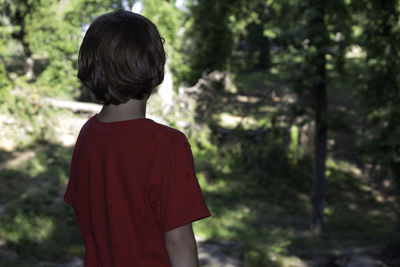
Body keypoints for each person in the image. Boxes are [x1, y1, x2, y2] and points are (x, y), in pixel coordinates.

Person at [64, 10, 210, 267]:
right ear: (154, 66)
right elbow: (179, 242)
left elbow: (86, 214)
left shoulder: (88, 136)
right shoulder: (167, 146)